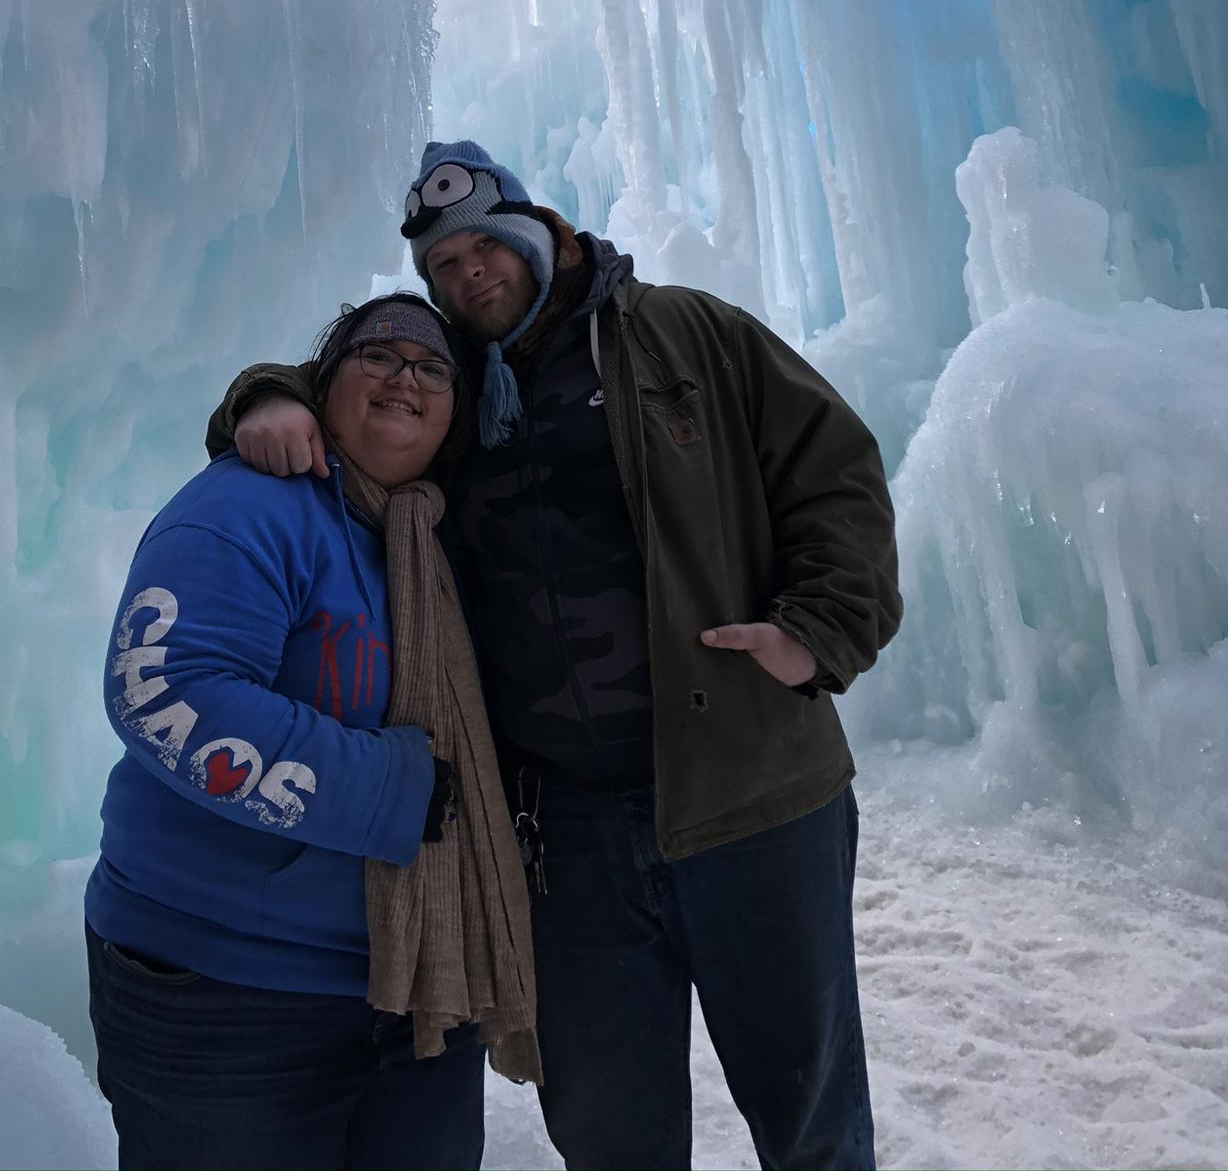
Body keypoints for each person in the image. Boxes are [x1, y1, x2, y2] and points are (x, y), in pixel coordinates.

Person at [213, 141, 903, 1171]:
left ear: (539, 232)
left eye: (482, 246)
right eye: (442, 265)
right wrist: (267, 396)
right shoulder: (448, 387)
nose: (467, 273)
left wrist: (820, 630)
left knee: (808, 1109)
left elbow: (833, 466)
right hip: (564, 827)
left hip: (753, 791)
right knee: (606, 1125)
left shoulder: (682, 332)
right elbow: (362, 394)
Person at [86, 290, 540, 1171]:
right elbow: (163, 689)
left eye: (432, 366)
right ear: (321, 386)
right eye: (377, 355)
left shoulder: (438, 534)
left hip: (417, 991)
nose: (405, 376)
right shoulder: (250, 506)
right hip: (224, 993)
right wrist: (395, 791)